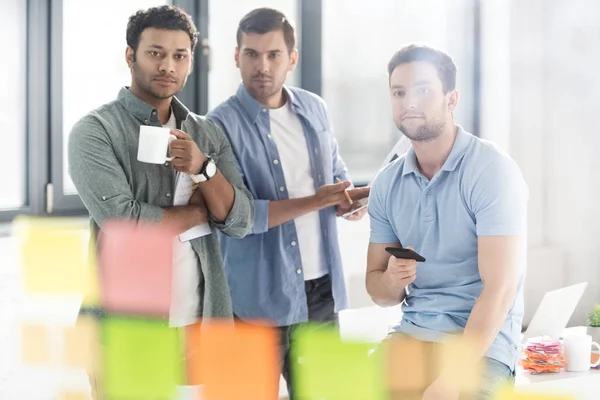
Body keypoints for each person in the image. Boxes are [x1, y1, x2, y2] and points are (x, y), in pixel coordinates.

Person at [207, 7, 370, 398]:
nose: (262, 66)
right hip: (255, 299)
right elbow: (237, 217)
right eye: (251, 54)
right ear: (236, 57)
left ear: (291, 58)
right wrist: (316, 201)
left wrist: (347, 203)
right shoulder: (217, 126)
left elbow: (335, 175)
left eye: (273, 55)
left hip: (319, 292)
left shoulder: (315, 108)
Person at [68, 5, 253, 324]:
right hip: (125, 329)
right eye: (156, 53)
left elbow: (241, 221)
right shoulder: (96, 130)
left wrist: (204, 167)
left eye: (180, 56)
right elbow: (123, 224)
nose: (168, 66)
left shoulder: (206, 132)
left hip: (203, 321)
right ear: (130, 56)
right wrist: (199, 212)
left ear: (191, 62)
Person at [366, 45, 528, 400]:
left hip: (481, 346)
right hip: (413, 335)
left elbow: (499, 290)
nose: (409, 102)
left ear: (451, 99)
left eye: (423, 90)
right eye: (399, 92)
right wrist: (392, 280)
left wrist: (451, 380)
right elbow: (377, 290)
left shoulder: (490, 171)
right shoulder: (387, 184)